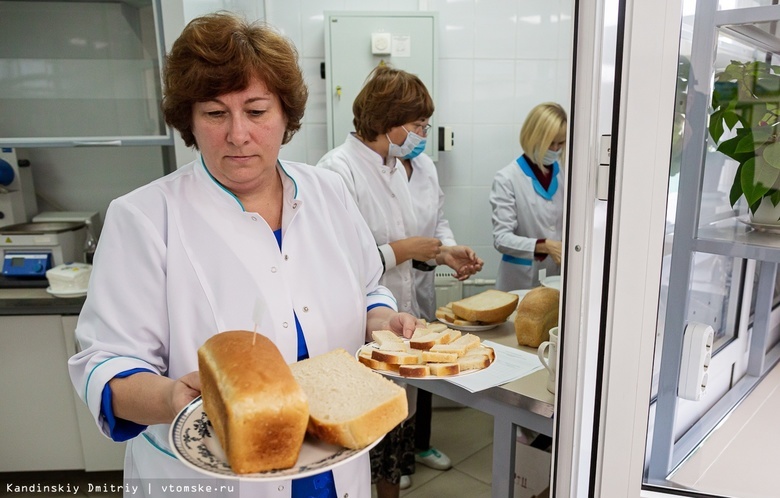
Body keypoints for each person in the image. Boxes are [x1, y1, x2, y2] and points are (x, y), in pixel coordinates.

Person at [67, 13, 419, 498]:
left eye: (256, 111)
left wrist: (382, 322)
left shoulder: (327, 192)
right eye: (215, 113)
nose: (237, 134)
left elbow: (367, 286)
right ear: (189, 120)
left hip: (333, 469)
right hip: (208, 479)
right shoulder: (145, 217)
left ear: (285, 114)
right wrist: (172, 398)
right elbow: (105, 364)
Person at [317, 65, 482, 497]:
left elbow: (427, 224)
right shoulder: (338, 170)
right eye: (417, 125)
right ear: (389, 121)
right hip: (360, 325)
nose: (423, 134)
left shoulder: (395, 164)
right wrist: (403, 250)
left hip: (402, 312)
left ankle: (394, 476)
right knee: (362, 431)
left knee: (396, 423)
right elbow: (336, 264)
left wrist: (443, 251)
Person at [490, 102, 567, 291]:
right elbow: (501, 239)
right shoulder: (507, 178)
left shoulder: (566, 174)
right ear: (534, 137)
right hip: (519, 280)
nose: (556, 149)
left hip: (556, 277)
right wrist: (545, 245)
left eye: (561, 142)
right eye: (551, 143)